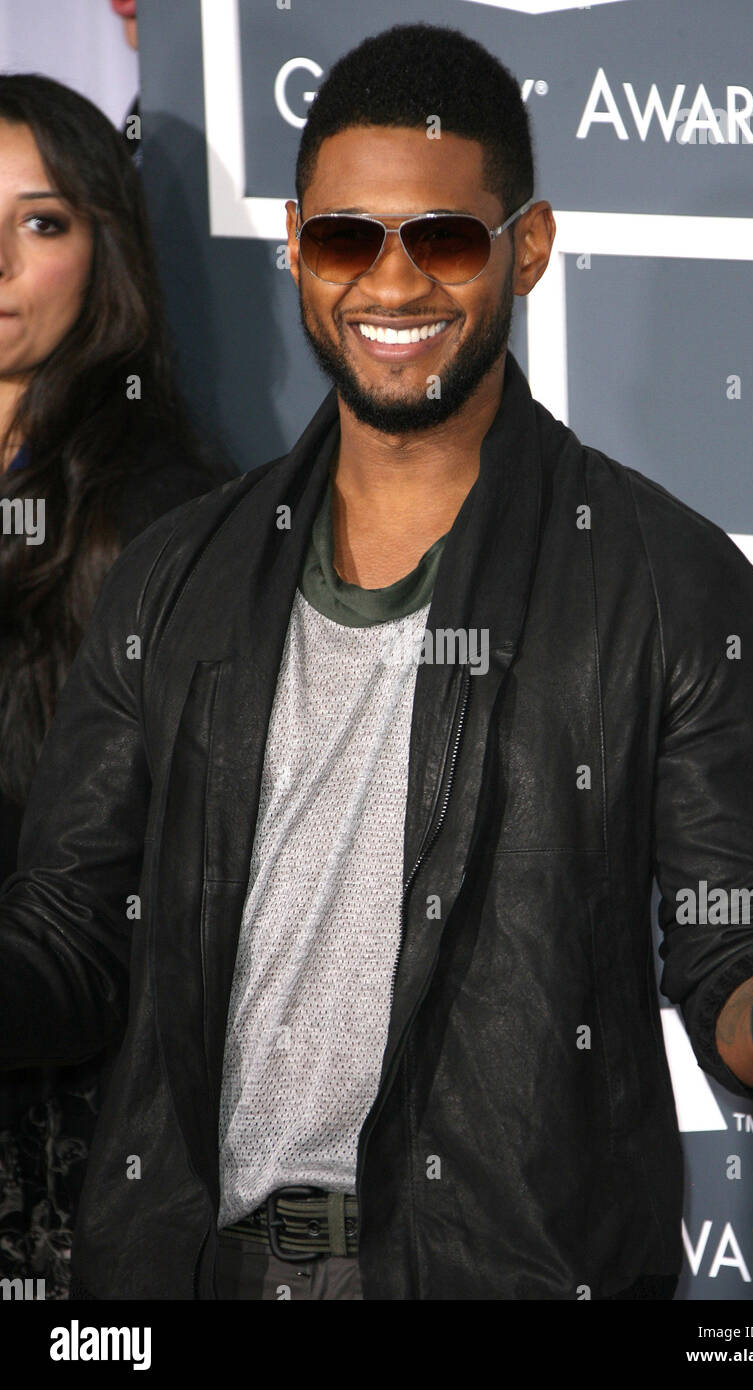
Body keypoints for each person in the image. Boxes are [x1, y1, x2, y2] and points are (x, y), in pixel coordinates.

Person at [1, 24, 753, 1303]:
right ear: (298, 243)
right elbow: (74, 938)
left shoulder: (668, 584)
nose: (391, 284)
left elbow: (728, 951)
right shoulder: (175, 574)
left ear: (527, 244)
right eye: (349, 238)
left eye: (444, 240)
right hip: (184, 1274)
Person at [0, 73, 233, 1297]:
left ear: (107, 250)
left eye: (41, 222)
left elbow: (129, 931)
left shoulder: (160, 523)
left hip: (82, 1160)